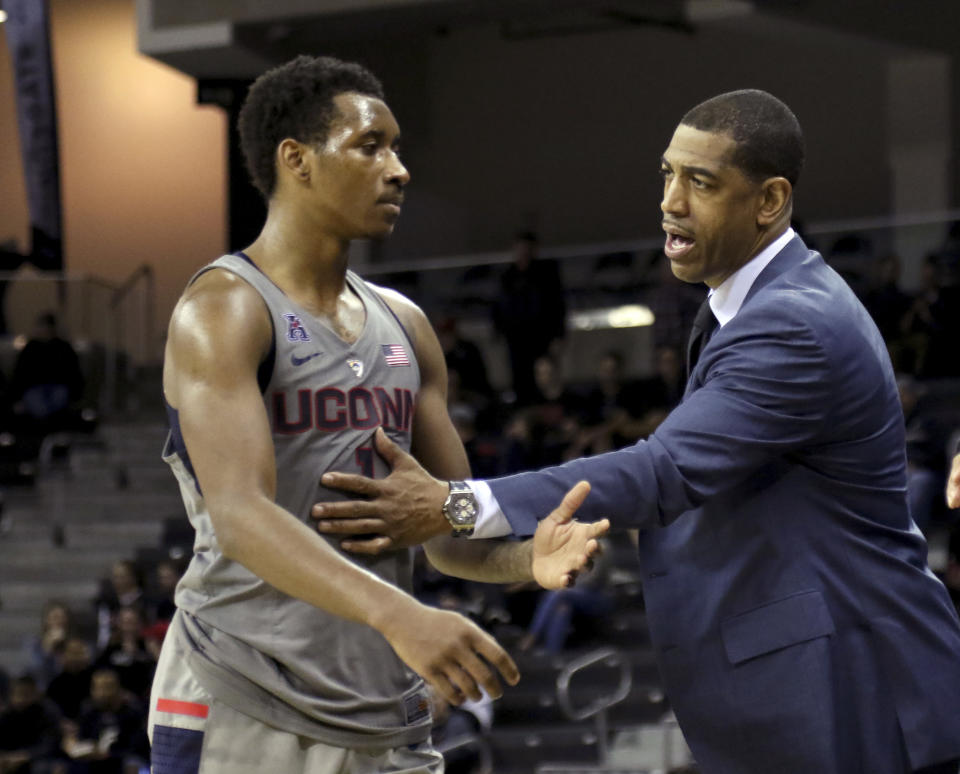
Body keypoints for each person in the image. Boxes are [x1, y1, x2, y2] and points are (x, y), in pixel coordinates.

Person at [312, 89, 960, 774]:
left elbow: (666, 472)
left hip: (857, 693)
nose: (671, 202)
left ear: (769, 201)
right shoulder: (748, 307)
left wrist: (455, 503)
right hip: (818, 686)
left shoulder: (792, 323)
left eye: (700, 182)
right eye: (667, 174)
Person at [150, 54, 606, 774]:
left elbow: (445, 532)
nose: (398, 170)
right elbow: (240, 515)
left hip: (381, 708)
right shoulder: (223, 309)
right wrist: (400, 614)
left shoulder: (408, 325)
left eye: (396, 147)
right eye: (371, 146)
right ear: (296, 159)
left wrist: (526, 558)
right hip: (240, 693)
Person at [491, 232, 567, 405]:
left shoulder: (547, 274)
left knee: (544, 372)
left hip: (541, 336)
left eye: (527, 248)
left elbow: (558, 306)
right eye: (520, 248)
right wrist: (497, 330)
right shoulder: (507, 276)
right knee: (520, 374)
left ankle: (547, 406)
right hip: (516, 338)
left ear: (534, 250)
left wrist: (559, 335)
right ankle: (523, 407)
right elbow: (498, 305)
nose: (523, 252)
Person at [0, 674, 62, 774]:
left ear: (35, 694)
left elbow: (49, 746)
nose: (20, 699)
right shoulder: (6, 714)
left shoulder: (47, 712)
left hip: (37, 759)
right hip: (10, 759)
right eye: (16, 694)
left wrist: (25, 756)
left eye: (25, 694)